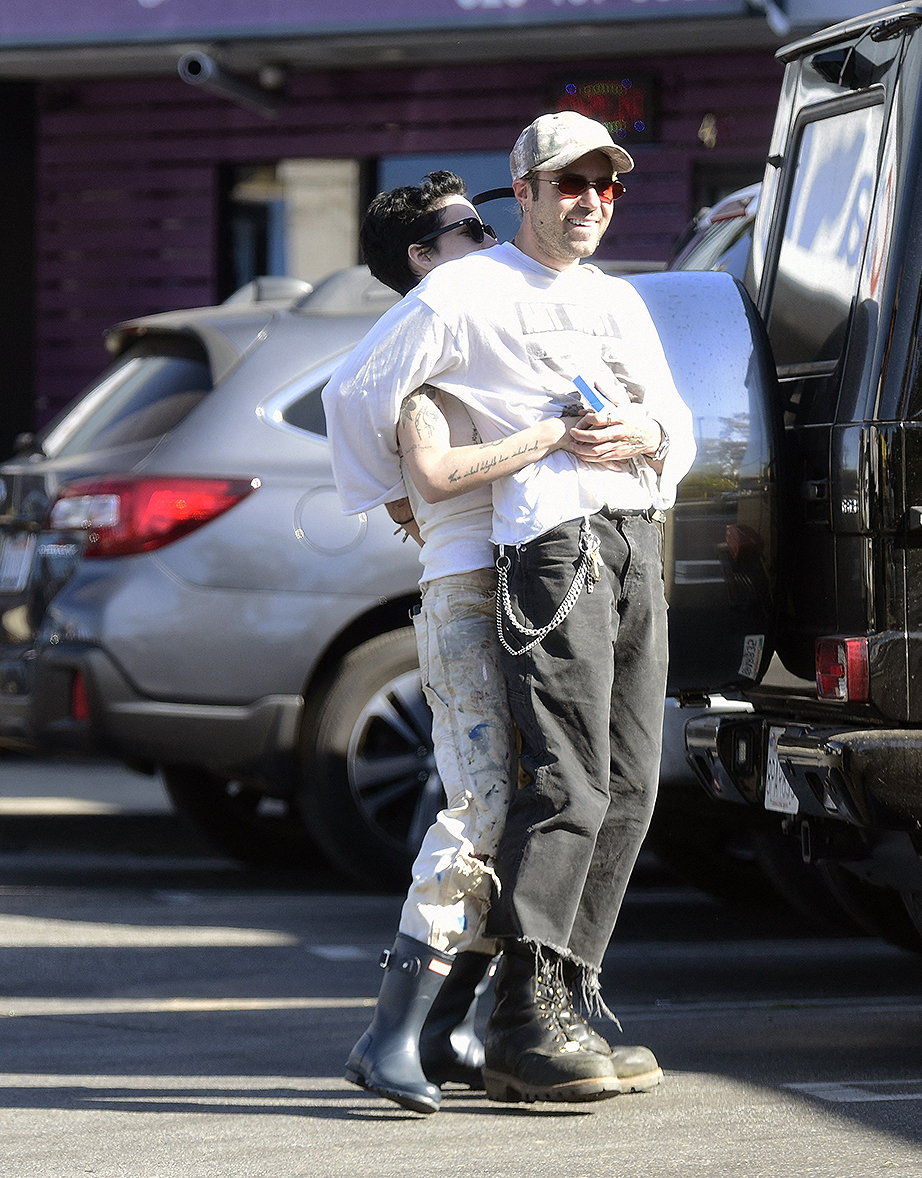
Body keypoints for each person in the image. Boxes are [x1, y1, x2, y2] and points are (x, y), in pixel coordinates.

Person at [327, 111, 695, 1106]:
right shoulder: (458, 293)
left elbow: (678, 420)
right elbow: (352, 395)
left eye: (604, 184)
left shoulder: (614, 297)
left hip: (623, 536)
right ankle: (478, 1021)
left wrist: (647, 429)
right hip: (530, 553)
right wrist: (403, 500)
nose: (588, 199)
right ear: (523, 189)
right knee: (517, 793)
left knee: (623, 783)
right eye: (566, 182)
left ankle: (537, 1005)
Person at [324, 170, 599, 1116]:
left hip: (513, 579)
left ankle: (445, 1029)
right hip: (469, 592)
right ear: (421, 257)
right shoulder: (427, 356)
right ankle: (388, 1035)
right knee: (478, 802)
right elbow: (416, 455)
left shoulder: (476, 341)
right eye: (467, 228)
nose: (487, 238)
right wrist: (545, 438)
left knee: (519, 804)